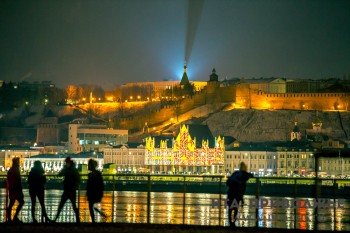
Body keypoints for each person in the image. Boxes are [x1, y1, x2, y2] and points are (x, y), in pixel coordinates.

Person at [226, 162, 253, 228]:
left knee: (230, 209)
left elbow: (228, 181)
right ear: (245, 168)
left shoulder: (235, 173)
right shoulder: (244, 174)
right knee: (235, 209)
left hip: (230, 193)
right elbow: (251, 175)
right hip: (237, 194)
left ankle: (231, 223)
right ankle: (233, 223)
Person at [54, 156, 80, 223]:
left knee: (61, 204)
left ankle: (55, 219)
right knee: (73, 205)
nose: (66, 164)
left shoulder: (68, 169)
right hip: (71, 190)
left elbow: (60, 174)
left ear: (68, 163)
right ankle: (78, 220)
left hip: (68, 189)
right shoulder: (74, 169)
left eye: (66, 162)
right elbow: (77, 179)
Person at [87, 158, 106, 223]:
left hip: (93, 193)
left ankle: (93, 221)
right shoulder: (96, 173)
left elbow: (92, 184)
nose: (88, 166)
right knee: (91, 206)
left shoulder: (92, 174)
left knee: (90, 206)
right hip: (95, 193)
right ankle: (95, 219)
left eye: (89, 165)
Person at [6, 157, 25, 223]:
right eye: (18, 162)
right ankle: (14, 217)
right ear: (16, 162)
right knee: (21, 202)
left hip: (12, 189)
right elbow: (18, 180)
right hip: (16, 189)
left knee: (11, 204)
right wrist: (20, 190)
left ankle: (9, 218)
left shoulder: (11, 169)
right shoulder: (16, 169)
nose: (19, 163)